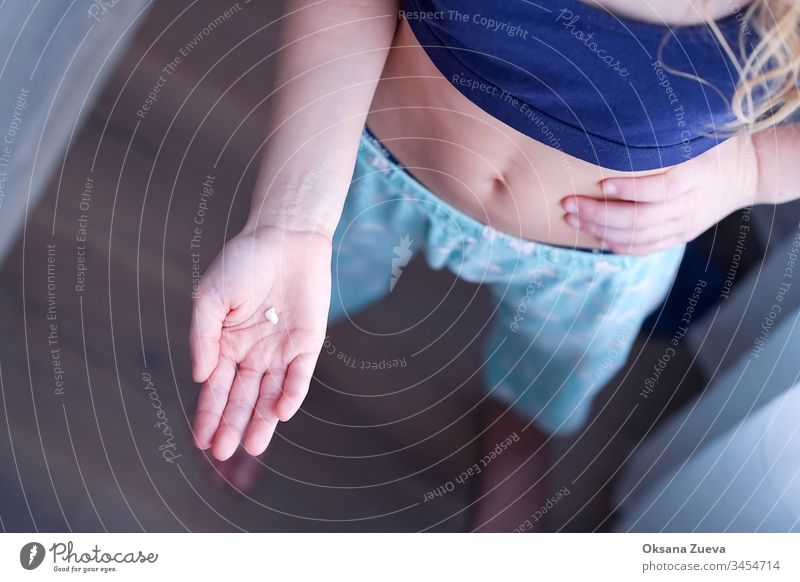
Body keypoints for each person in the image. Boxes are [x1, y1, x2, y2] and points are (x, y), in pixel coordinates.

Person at [188, 0, 800, 529]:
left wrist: (743, 172)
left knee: (553, 364)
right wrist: (291, 223)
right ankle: (279, 381)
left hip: (594, 262)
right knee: (312, 291)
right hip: (366, 171)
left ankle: (517, 438)